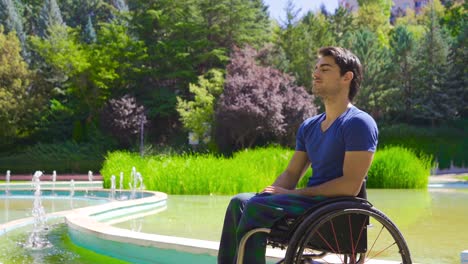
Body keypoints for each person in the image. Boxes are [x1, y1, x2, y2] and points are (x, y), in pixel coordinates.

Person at [217, 46, 378, 264]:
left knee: (255, 207)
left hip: (334, 208)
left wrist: (299, 193)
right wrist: (270, 194)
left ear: (346, 77)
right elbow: (292, 173)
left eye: (325, 68)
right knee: (240, 202)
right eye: (316, 68)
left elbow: (350, 185)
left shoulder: (358, 123)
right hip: (309, 204)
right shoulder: (309, 126)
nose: (316, 73)